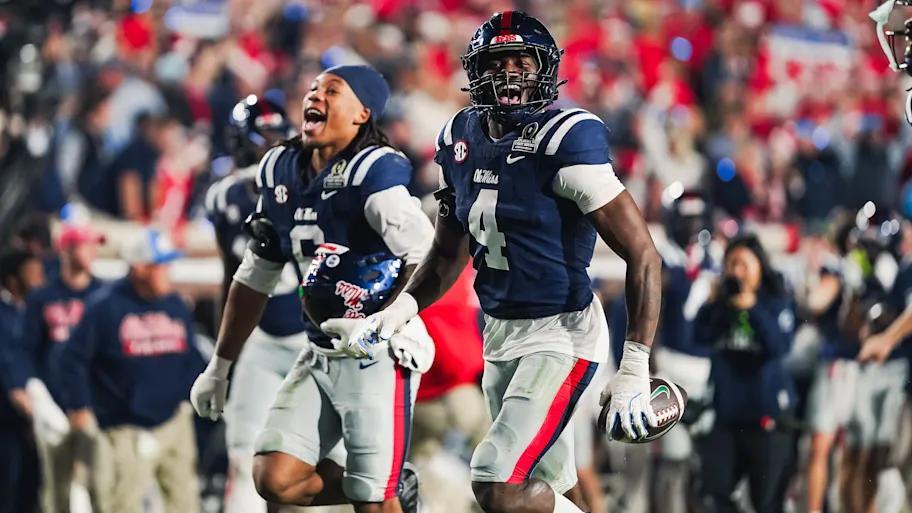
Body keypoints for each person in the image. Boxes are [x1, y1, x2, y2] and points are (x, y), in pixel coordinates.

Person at [328, 12, 663, 513]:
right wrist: (397, 311)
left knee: (495, 480)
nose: (509, 73)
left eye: (522, 62)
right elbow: (447, 252)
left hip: (561, 332)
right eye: (497, 62)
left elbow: (643, 254)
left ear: (544, 69)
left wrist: (635, 364)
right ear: (475, 71)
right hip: (499, 333)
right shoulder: (460, 139)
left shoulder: (565, 138)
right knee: (545, 485)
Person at [189, 64, 434, 513]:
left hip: (376, 354)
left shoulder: (372, 172)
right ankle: (390, 482)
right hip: (318, 349)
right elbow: (254, 275)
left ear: (362, 113)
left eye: (332, 90)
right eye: (314, 88)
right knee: (275, 478)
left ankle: (384, 486)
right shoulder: (282, 169)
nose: (315, 96)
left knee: (374, 502)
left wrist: (386, 321)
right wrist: (220, 366)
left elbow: (427, 253)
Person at [204, 95, 315, 513]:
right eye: (264, 138)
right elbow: (232, 277)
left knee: (323, 464)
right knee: (246, 454)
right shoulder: (225, 198)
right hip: (264, 341)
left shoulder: (310, 187)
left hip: (315, 342)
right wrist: (224, 354)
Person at [57, 228, 203, 513]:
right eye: (161, 265)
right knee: (120, 505)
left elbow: (190, 355)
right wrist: (79, 405)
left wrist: (188, 398)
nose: (168, 272)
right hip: (123, 428)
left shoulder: (175, 304)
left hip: (173, 422)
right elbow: (71, 358)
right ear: (140, 268)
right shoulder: (104, 307)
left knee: (185, 503)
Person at [4, 222, 105, 513]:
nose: (93, 252)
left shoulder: (106, 295)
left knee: (101, 487)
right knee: (58, 492)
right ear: (67, 250)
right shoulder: (42, 298)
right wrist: (29, 393)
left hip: (97, 408)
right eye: (86, 245)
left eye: (94, 245)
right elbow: (24, 351)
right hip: (55, 407)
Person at [694, 235, 796, 513]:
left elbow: (780, 346)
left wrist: (752, 307)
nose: (737, 272)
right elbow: (698, 335)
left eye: (744, 264)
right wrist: (715, 303)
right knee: (715, 495)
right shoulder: (721, 302)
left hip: (767, 418)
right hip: (727, 416)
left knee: (766, 502)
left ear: (760, 266)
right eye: (731, 264)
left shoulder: (776, 298)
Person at [0, 247, 46, 513]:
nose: (40, 279)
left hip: (37, 416)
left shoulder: (36, 312)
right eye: (32, 273)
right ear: (13, 279)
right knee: (10, 488)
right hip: (8, 420)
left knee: (35, 488)